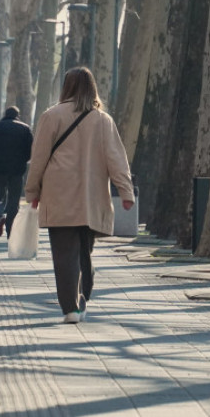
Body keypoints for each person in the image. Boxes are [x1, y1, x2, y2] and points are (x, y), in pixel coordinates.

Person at [25, 67, 134, 324]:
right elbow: (117, 159)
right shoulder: (103, 120)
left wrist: (32, 191)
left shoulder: (51, 116)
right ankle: (83, 295)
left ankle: (71, 307)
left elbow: (38, 158)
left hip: (59, 194)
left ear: (66, 87)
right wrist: (126, 191)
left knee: (65, 254)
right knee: (85, 251)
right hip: (91, 197)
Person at [0, 106, 33, 239]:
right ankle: (10, 230)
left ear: (5, 114)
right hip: (17, 170)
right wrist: (23, 160)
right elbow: (30, 149)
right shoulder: (25, 128)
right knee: (14, 200)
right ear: (18, 115)